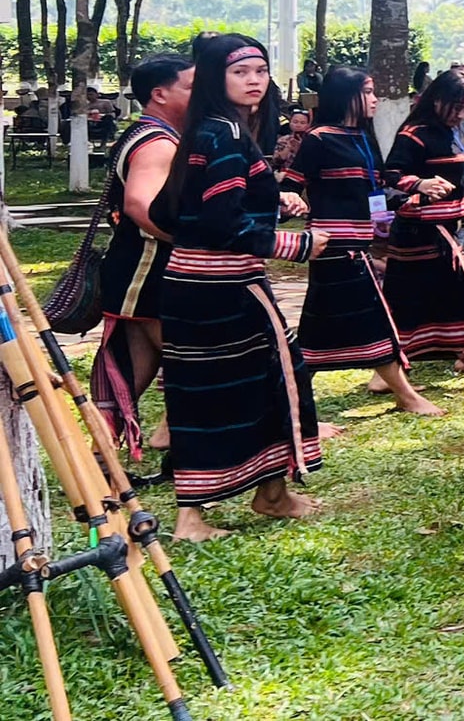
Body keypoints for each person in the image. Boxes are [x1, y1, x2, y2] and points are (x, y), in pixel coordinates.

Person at [153, 34, 326, 541]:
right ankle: (192, 517)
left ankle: (270, 493)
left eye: (260, 70)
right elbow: (220, 223)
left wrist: (273, 205)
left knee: (258, 384)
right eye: (240, 72)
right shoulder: (223, 136)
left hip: (202, 285)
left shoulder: (214, 131)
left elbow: (199, 211)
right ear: (214, 79)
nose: (254, 80)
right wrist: (297, 245)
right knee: (234, 389)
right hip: (221, 289)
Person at [285, 66, 441, 417]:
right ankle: (405, 393)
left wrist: (417, 189)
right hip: (332, 245)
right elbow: (289, 186)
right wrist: (289, 201)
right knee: (373, 315)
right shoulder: (319, 139)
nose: (374, 99)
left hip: (360, 241)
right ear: (346, 96)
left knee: (319, 326)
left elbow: (377, 188)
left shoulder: (363, 138)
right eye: (368, 92)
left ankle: (293, 399)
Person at [88, 52, 192, 459]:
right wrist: (191, 240)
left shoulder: (151, 133)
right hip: (147, 271)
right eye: (190, 86)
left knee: (138, 363)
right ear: (159, 94)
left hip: (140, 270)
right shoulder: (156, 142)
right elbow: (138, 206)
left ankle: (100, 455)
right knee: (192, 357)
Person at [379, 69, 464, 390]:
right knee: (435, 298)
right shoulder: (414, 133)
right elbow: (390, 177)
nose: (460, 114)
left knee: (448, 298)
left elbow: (459, 177)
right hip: (419, 233)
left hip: (446, 229)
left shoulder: (452, 133)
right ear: (438, 101)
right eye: (455, 107)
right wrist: (420, 184)